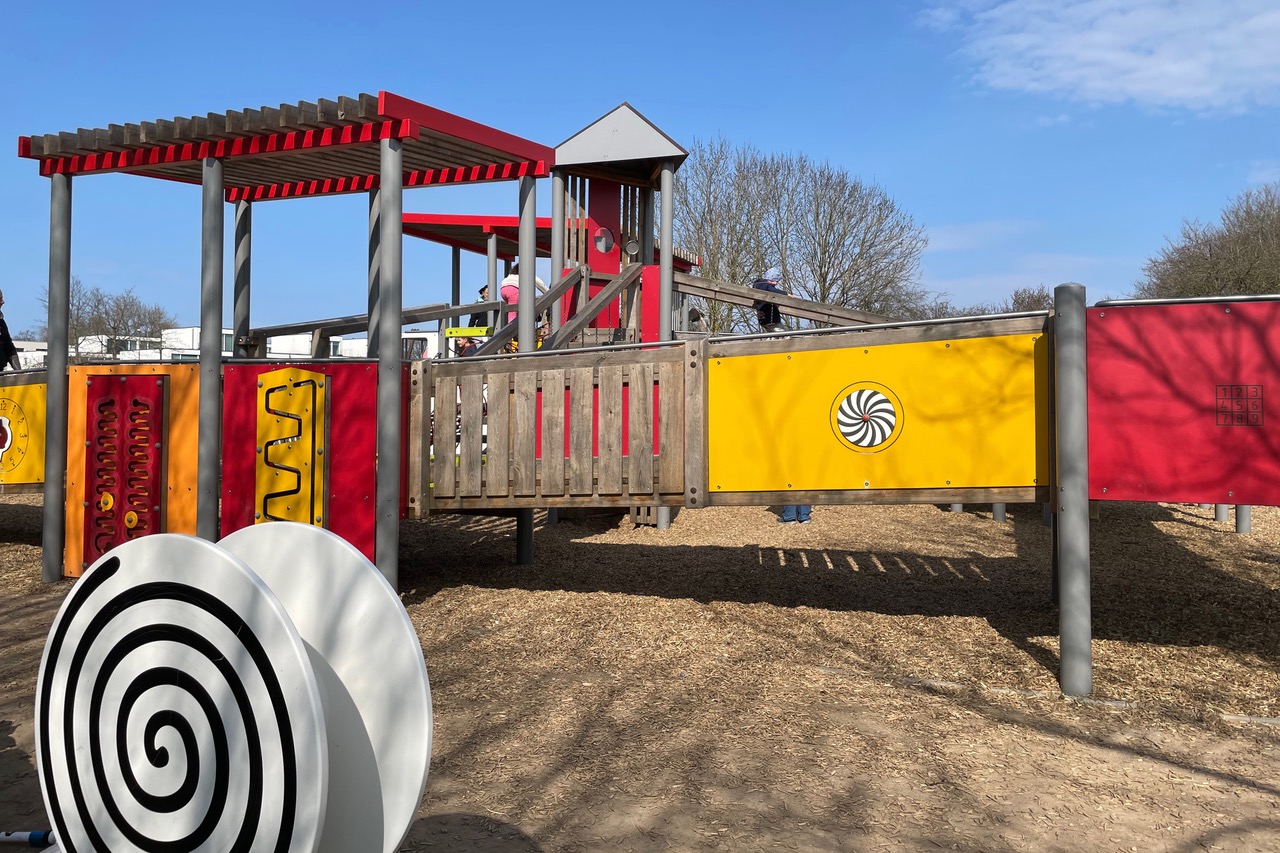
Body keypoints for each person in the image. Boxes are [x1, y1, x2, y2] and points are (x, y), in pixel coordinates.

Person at [752, 266, 787, 333]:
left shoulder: (756, 285)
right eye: (776, 281)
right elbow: (775, 291)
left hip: (762, 317)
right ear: (771, 279)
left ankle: (771, 339)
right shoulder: (767, 286)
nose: (777, 283)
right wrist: (786, 294)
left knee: (770, 333)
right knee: (781, 331)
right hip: (771, 317)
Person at [0, 289, 20, 371]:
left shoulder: (1, 323)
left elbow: (9, 348)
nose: (2, 302)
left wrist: (19, 373)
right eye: (0, 298)